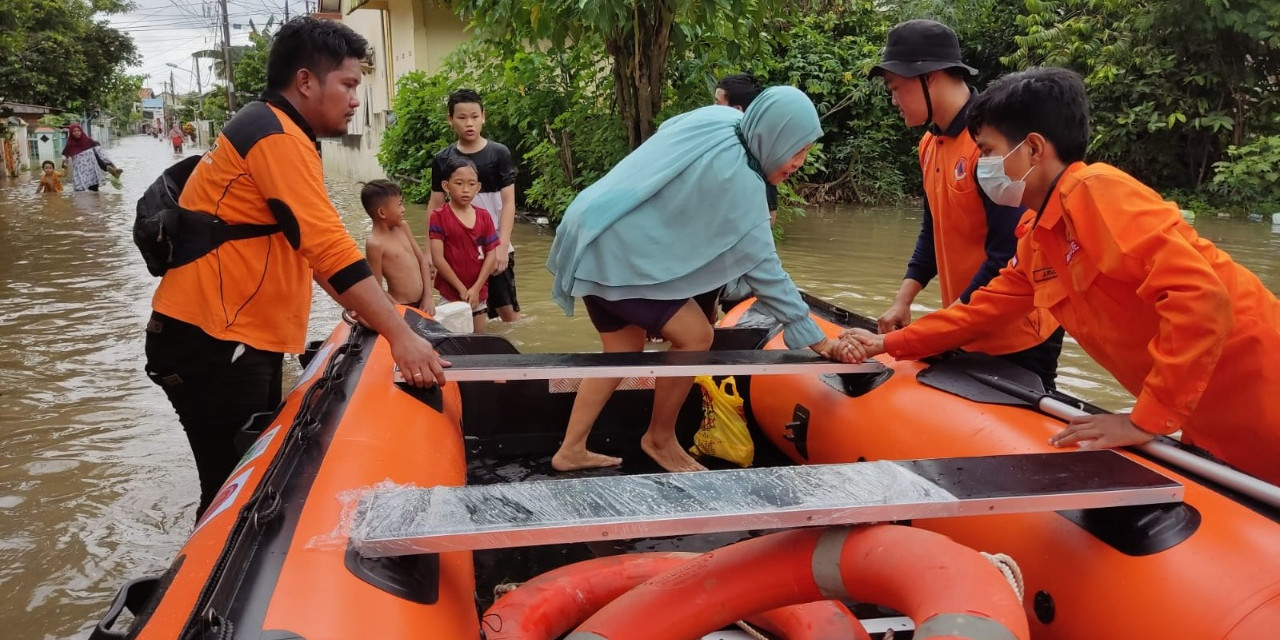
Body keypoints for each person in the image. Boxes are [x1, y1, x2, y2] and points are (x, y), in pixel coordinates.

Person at [843, 67, 1280, 485]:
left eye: (991, 152)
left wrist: (1144, 420)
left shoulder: (1096, 191)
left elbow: (1201, 300)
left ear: (1033, 149)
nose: (984, 167)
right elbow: (983, 311)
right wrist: (889, 344)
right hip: (1208, 415)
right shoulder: (1039, 236)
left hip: (1261, 393)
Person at [143, 16, 449, 517]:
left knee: (238, 483)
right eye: (349, 84)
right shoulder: (276, 136)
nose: (355, 99)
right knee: (228, 495)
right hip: (214, 341)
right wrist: (400, 333)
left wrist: (370, 313)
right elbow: (329, 246)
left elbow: (308, 249)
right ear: (306, 81)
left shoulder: (277, 130)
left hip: (229, 337)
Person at [546, 86, 866, 473]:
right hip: (617, 256)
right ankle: (660, 439)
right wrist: (820, 341)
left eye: (805, 151)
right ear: (771, 136)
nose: (799, 161)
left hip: (588, 229)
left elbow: (670, 131)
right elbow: (767, 273)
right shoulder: (746, 188)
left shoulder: (723, 119)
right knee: (697, 337)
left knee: (621, 350)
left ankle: (571, 449)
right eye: (794, 150)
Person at [869, 19, 1063, 390]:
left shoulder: (993, 148)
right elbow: (933, 229)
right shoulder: (930, 145)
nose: (893, 99)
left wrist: (944, 326)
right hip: (965, 323)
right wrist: (903, 300)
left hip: (1017, 332)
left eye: (896, 87)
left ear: (931, 78)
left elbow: (1008, 252)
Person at [426, 89, 521, 324]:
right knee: (460, 306)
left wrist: (501, 246)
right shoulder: (443, 159)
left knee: (507, 310)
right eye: (462, 117)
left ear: (483, 116)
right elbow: (436, 204)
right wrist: (429, 254)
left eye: (474, 116)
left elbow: (508, 203)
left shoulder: (499, 153)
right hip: (457, 248)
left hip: (493, 244)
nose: (469, 123)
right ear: (450, 119)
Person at [429, 157, 501, 333]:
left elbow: (491, 254)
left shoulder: (484, 216)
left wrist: (476, 288)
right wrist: (462, 289)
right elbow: (438, 259)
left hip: (479, 292)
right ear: (446, 186)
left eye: (471, 184)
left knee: (478, 340)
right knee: (450, 341)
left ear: (478, 187)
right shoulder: (438, 216)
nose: (465, 190)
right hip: (450, 293)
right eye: (459, 183)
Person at [362, 179, 435, 314]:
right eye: (399, 205)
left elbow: (422, 260)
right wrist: (400, 310)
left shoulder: (403, 227)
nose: (403, 209)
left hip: (424, 302)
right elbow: (376, 288)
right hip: (401, 306)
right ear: (382, 213)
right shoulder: (375, 244)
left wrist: (428, 296)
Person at [61, 124, 121, 192]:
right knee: (80, 192)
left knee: (94, 191)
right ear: (71, 133)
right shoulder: (69, 145)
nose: (76, 132)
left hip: (92, 171)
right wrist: (64, 163)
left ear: (81, 131)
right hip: (80, 172)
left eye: (78, 131)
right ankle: (108, 168)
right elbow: (64, 155)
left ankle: (109, 168)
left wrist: (110, 163)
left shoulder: (88, 141)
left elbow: (99, 153)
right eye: (74, 131)